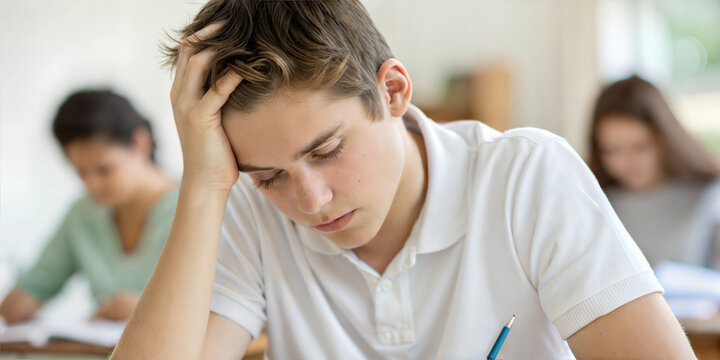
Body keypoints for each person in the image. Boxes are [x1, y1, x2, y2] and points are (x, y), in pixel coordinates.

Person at [112, 1, 695, 359]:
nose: (310, 201)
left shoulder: (526, 176)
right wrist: (203, 186)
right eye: (269, 177)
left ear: (392, 91)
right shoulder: (249, 211)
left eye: (328, 150)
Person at [0, 90, 178, 324]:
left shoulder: (195, 206)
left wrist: (145, 308)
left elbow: (225, 305)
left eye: (104, 169)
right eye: (81, 172)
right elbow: (31, 290)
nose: (90, 184)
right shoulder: (84, 214)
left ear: (140, 143)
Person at [589, 76, 720, 270]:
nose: (627, 162)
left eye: (639, 147)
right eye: (612, 150)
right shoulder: (595, 203)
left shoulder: (709, 195)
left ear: (665, 139)